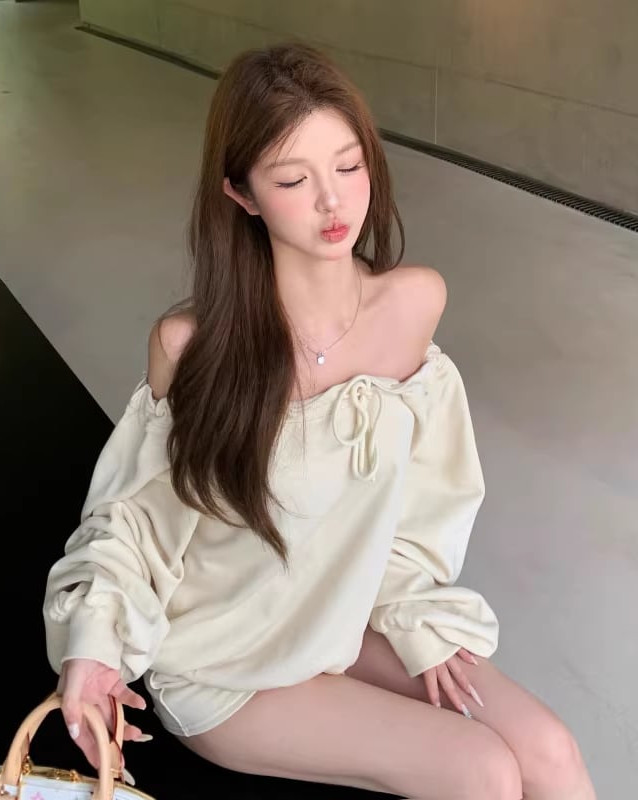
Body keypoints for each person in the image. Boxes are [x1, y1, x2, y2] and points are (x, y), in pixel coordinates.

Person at [43, 42, 597, 800]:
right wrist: (93, 645)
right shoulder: (192, 347)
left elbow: (424, 502)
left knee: (550, 752)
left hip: (339, 618)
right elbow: (132, 523)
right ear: (241, 193)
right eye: (293, 180)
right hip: (225, 658)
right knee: (482, 772)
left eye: (349, 165)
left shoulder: (413, 306)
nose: (334, 203)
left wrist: (415, 618)